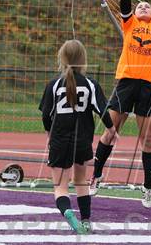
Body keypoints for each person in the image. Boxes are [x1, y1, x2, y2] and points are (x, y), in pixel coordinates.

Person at [89, 0, 151, 209]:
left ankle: (147, 188)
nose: (144, 7)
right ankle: (96, 176)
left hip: (147, 87)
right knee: (110, 131)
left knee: (148, 139)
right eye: (140, 5)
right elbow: (123, 4)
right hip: (125, 82)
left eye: (148, 6)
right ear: (133, 13)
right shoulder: (129, 24)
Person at [39, 39, 118, 234]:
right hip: (82, 139)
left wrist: (50, 133)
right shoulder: (91, 84)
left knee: (60, 186)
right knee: (81, 180)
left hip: (59, 139)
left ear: (62, 58)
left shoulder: (54, 85)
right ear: (83, 60)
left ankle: (68, 213)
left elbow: (45, 115)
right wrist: (111, 130)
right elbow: (103, 111)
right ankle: (86, 220)